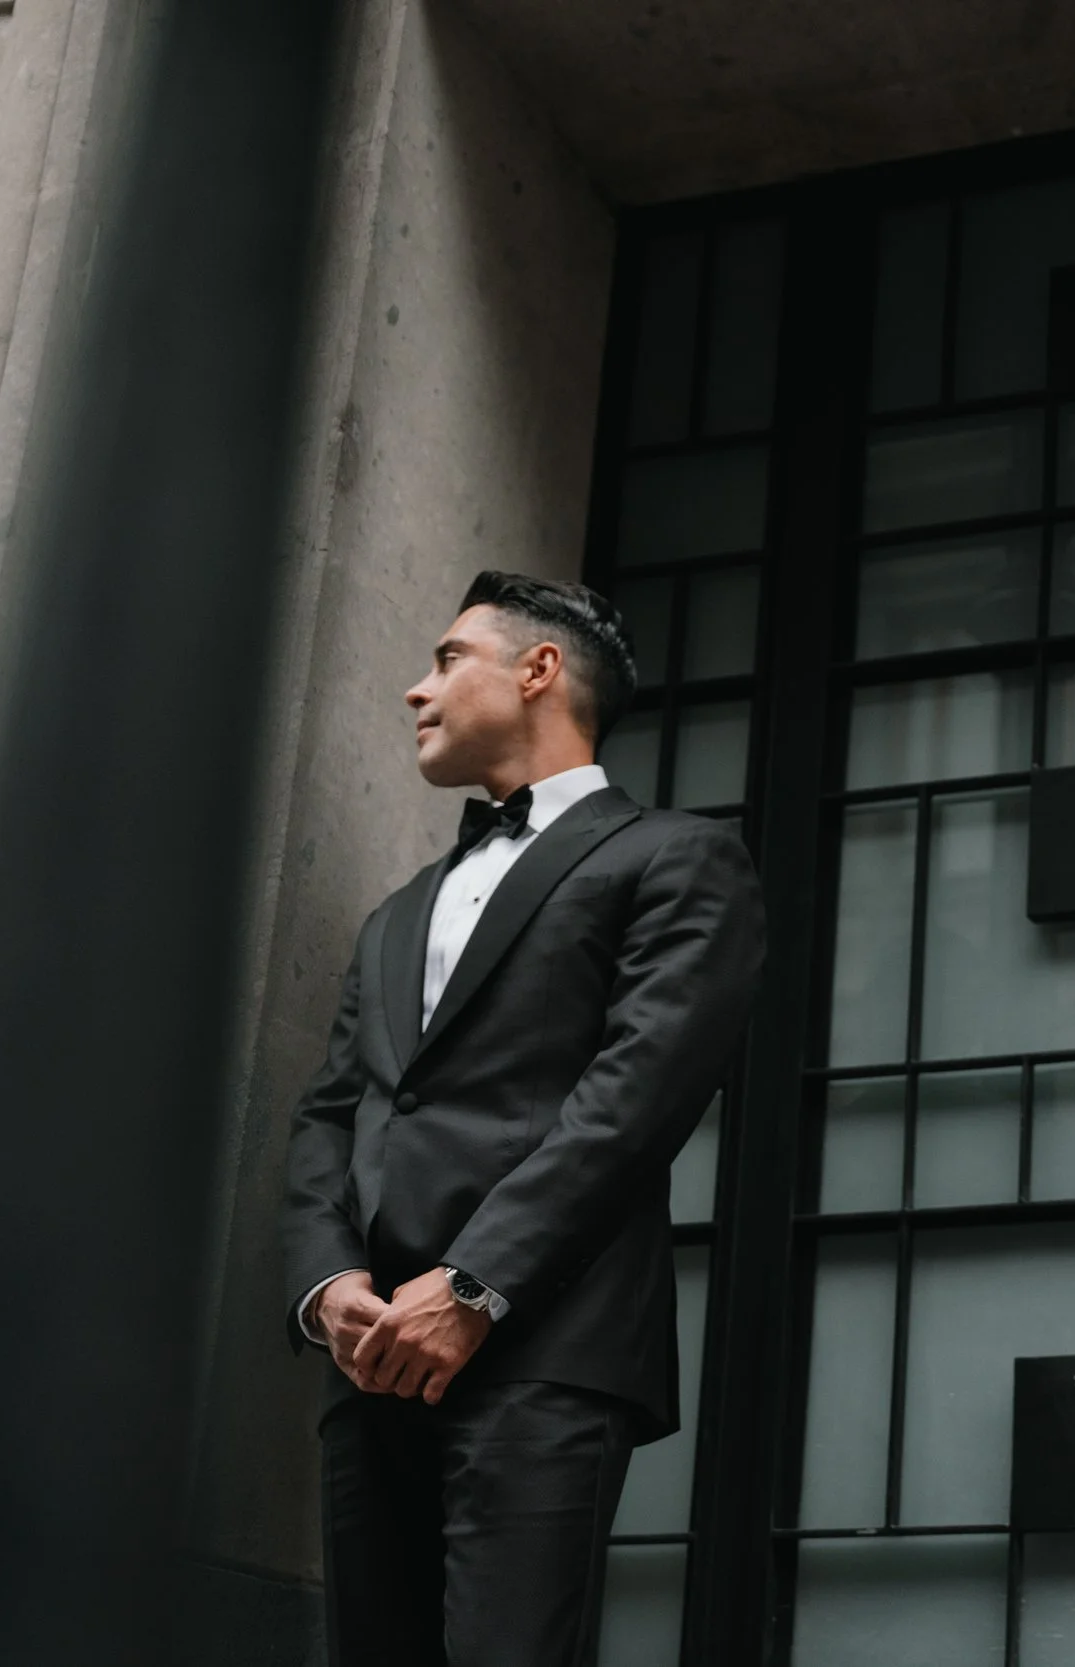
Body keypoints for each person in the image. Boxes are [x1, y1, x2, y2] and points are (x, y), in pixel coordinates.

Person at [281, 571, 765, 1665]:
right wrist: (328, 1287)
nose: (416, 688)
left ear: (538, 669)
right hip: (367, 1361)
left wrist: (474, 1283)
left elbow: (636, 1096)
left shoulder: (675, 858)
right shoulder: (397, 910)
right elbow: (330, 1111)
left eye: (447, 658)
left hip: (546, 1343)